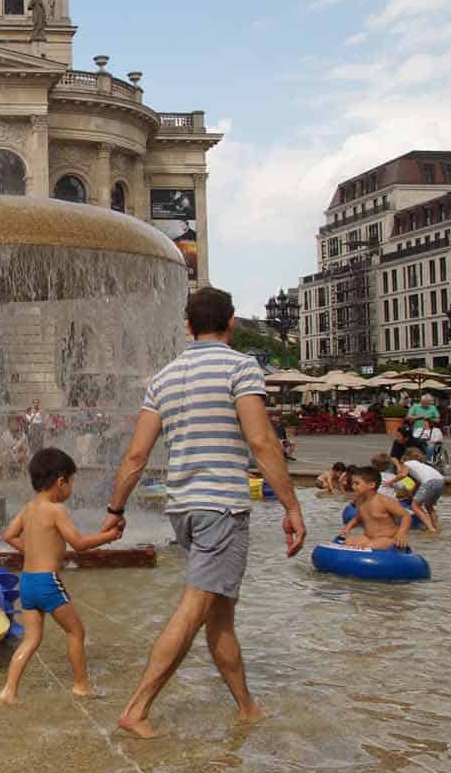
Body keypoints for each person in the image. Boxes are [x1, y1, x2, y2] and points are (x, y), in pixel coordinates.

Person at [103, 286, 305, 739]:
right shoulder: (241, 367)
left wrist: (116, 508)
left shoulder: (164, 377)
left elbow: (136, 455)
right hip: (222, 506)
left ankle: (247, 707)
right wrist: (292, 506)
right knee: (196, 607)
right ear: (231, 323)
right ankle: (136, 708)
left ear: (188, 326)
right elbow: (260, 441)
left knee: (220, 613)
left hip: (184, 509)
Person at [0, 447, 124, 705]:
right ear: (60, 481)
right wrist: (110, 537)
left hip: (28, 582)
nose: (71, 489)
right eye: (72, 482)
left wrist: (33, 550)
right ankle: (81, 685)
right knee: (76, 631)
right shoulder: (56, 510)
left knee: (32, 639)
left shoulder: (28, 508)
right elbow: (78, 543)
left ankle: (9, 690)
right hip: (47, 582)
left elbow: (8, 535)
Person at [341, 466, 413, 550]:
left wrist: (401, 533)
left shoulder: (384, 501)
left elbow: (406, 515)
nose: (353, 487)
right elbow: (358, 517)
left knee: (369, 546)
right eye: (352, 483)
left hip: (387, 539)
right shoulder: (359, 501)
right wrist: (347, 528)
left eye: (357, 483)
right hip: (368, 537)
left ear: (371, 485)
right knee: (348, 542)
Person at [389, 448, 445, 532]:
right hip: (441, 481)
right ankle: (436, 527)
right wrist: (412, 495)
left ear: (406, 457)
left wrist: (390, 482)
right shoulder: (420, 465)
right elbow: (418, 484)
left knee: (415, 506)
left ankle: (431, 529)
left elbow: (403, 475)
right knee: (429, 506)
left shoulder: (407, 463)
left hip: (429, 482)